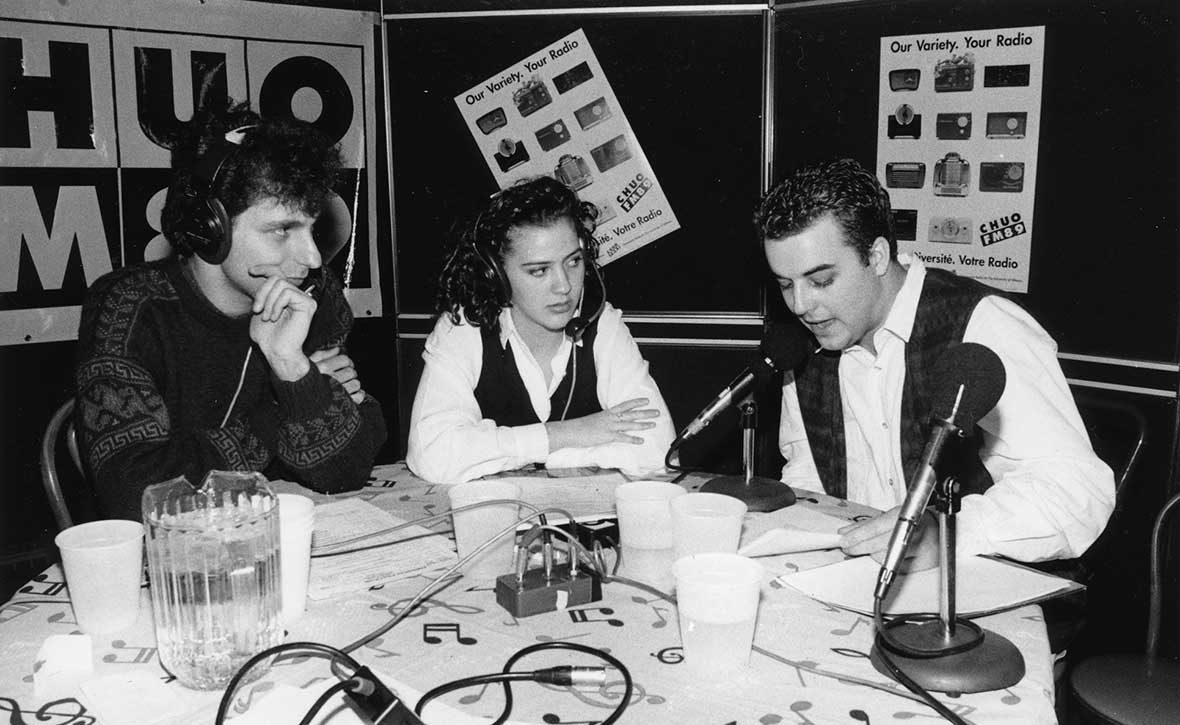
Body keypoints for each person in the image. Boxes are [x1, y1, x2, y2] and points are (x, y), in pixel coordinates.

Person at [756, 157, 1114, 566]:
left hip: (978, 588)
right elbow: (807, 471)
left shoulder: (983, 324)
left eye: (821, 281)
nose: (801, 305)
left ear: (875, 256)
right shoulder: (806, 345)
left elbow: (1078, 492)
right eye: (786, 284)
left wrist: (946, 532)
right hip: (857, 582)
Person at [75, 102, 388, 521]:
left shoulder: (313, 294)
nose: (313, 256)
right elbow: (138, 496)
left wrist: (289, 364)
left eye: (311, 228)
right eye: (282, 230)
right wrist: (285, 408)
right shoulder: (130, 306)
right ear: (210, 226)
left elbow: (344, 471)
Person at [407, 176, 675, 483]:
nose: (563, 286)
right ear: (497, 274)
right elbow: (430, 454)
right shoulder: (464, 327)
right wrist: (565, 434)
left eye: (573, 262)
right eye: (539, 270)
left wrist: (554, 455)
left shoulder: (604, 324)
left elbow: (659, 450)